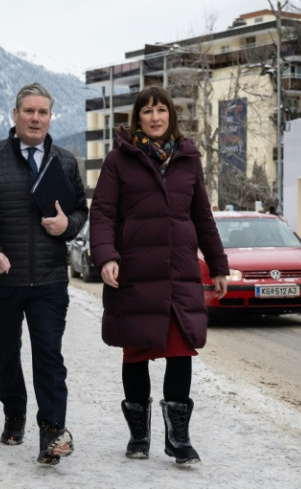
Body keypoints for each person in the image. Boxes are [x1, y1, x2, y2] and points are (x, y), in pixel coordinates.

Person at [89, 85, 229, 464]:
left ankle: (178, 439)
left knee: (180, 352)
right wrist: (106, 257)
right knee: (136, 351)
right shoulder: (119, 160)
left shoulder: (188, 159)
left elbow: (202, 217)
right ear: (137, 117)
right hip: (134, 272)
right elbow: (102, 212)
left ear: (171, 116)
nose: (154, 117)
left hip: (179, 272)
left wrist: (218, 265)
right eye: (147, 111)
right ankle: (138, 436)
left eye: (161, 110)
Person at [0, 82, 88, 465]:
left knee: (49, 354)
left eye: (42, 112)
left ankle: (52, 432)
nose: (35, 118)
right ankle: (14, 414)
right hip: (3, 278)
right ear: (15, 116)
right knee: (6, 351)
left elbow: (81, 211)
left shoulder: (64, 161)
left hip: (49, 279)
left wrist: (67, 225)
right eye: (28, 111)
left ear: (50, 117)